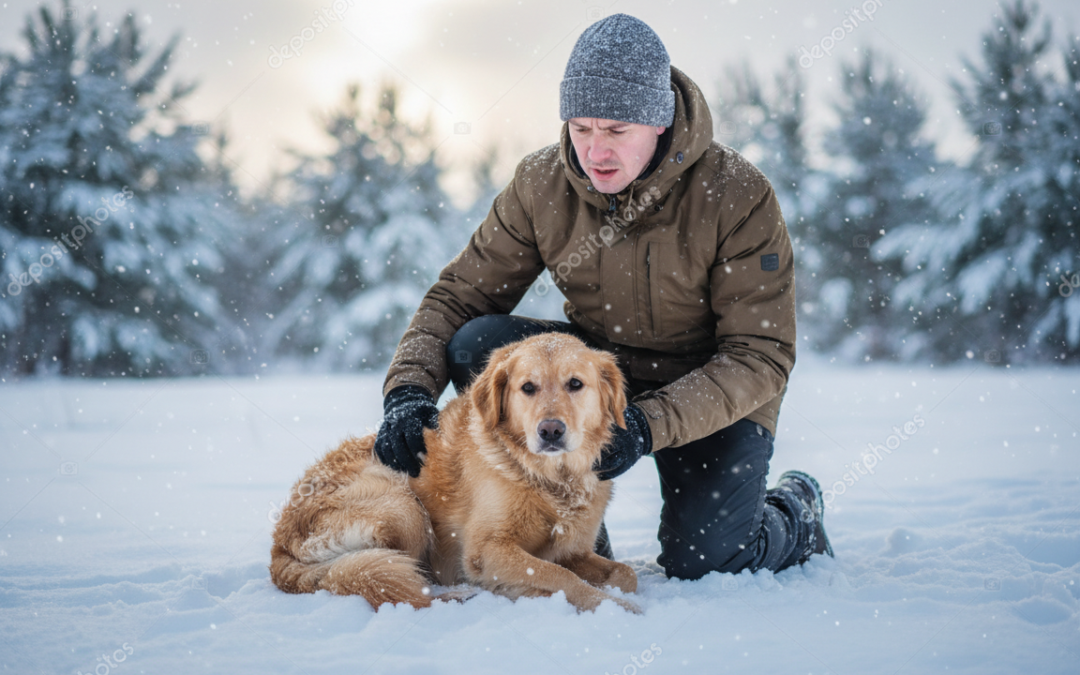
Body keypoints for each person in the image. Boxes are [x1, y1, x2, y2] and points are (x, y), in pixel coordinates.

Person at [373, 13, 832, 580]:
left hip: (710, 385)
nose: (596, 151)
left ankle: (796, 510)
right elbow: (459, 296)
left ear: (659, 123)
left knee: (709, 560)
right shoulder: (541, 184)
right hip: (591, 377)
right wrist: (407, 391)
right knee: (477, 344)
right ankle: (575, 535)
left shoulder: (737, 195)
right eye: (582, 127)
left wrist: (645, 424)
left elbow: (761, 356)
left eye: (617, 131)